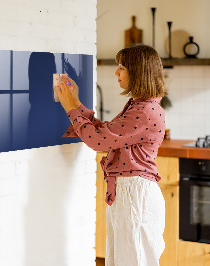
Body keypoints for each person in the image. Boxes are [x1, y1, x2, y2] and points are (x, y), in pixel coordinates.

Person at [55, 44, 167, 266]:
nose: (116, 72)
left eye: (122, 67)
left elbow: (98, 141)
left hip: (135, 195)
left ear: (138, 72)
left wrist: (70, 108)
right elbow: (106, 133)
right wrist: (76, 103)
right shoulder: (140, 106)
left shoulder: (144, 111)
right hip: (130, 193)